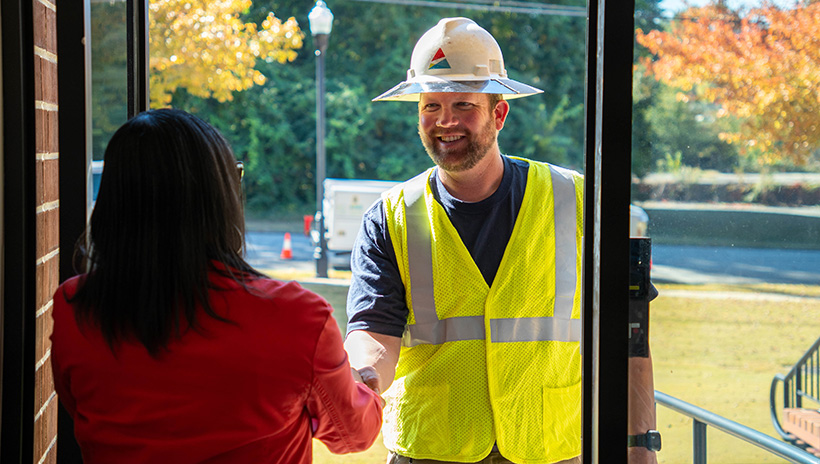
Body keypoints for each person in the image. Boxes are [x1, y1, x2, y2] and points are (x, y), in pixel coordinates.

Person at [343, 17, 659, 464]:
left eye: (464, 106)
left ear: (499, 113)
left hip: (552, 449)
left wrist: (640, 441)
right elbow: (373, 330)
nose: (445, 121)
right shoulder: (390, 216)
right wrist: (362, 374)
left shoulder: (584, 201)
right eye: (431, 106)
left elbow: (630, 330)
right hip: (431, 451)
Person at [50, 108, 383, 463]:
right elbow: (352, 435)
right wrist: (363, 386)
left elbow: (77, 408)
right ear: (218, 196)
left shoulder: (75, 306)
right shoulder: (296, 317)